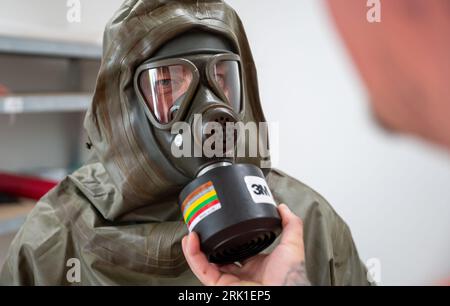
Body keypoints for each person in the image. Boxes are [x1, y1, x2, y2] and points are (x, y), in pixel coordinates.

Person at [0, 0, 369, 286]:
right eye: (167, 84)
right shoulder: (55, 236)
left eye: (223, 78)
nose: (211, 109)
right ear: (124, 108)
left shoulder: (304, 222)